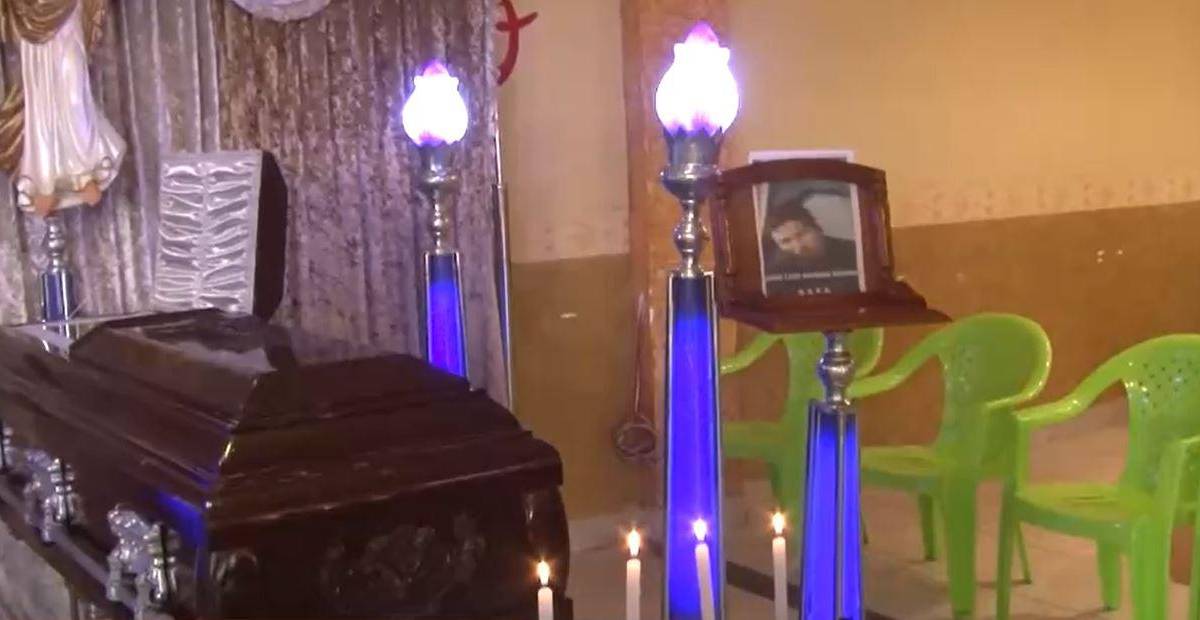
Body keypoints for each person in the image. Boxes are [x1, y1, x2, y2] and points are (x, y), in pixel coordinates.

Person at [0, 0, 125, 217]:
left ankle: (85, 170)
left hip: (67, 10)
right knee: (41, 98)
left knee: (75, 94)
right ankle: (44, 178)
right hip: (31, 14)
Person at [761, 189, 859, 296]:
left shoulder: (856, 254)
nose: (799, 247)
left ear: (818, 227)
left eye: (801, 235)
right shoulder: (774, 274)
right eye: (786, 241)